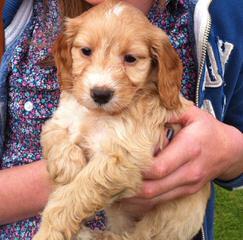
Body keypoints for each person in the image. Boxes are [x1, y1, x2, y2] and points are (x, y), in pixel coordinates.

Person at [0, 0, 242, 239]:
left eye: (130, 59)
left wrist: (230, 149)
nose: (102, 82)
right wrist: (71, 177)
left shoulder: (226, 13)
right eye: (86, 51)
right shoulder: (21, 12)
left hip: (155, 227)